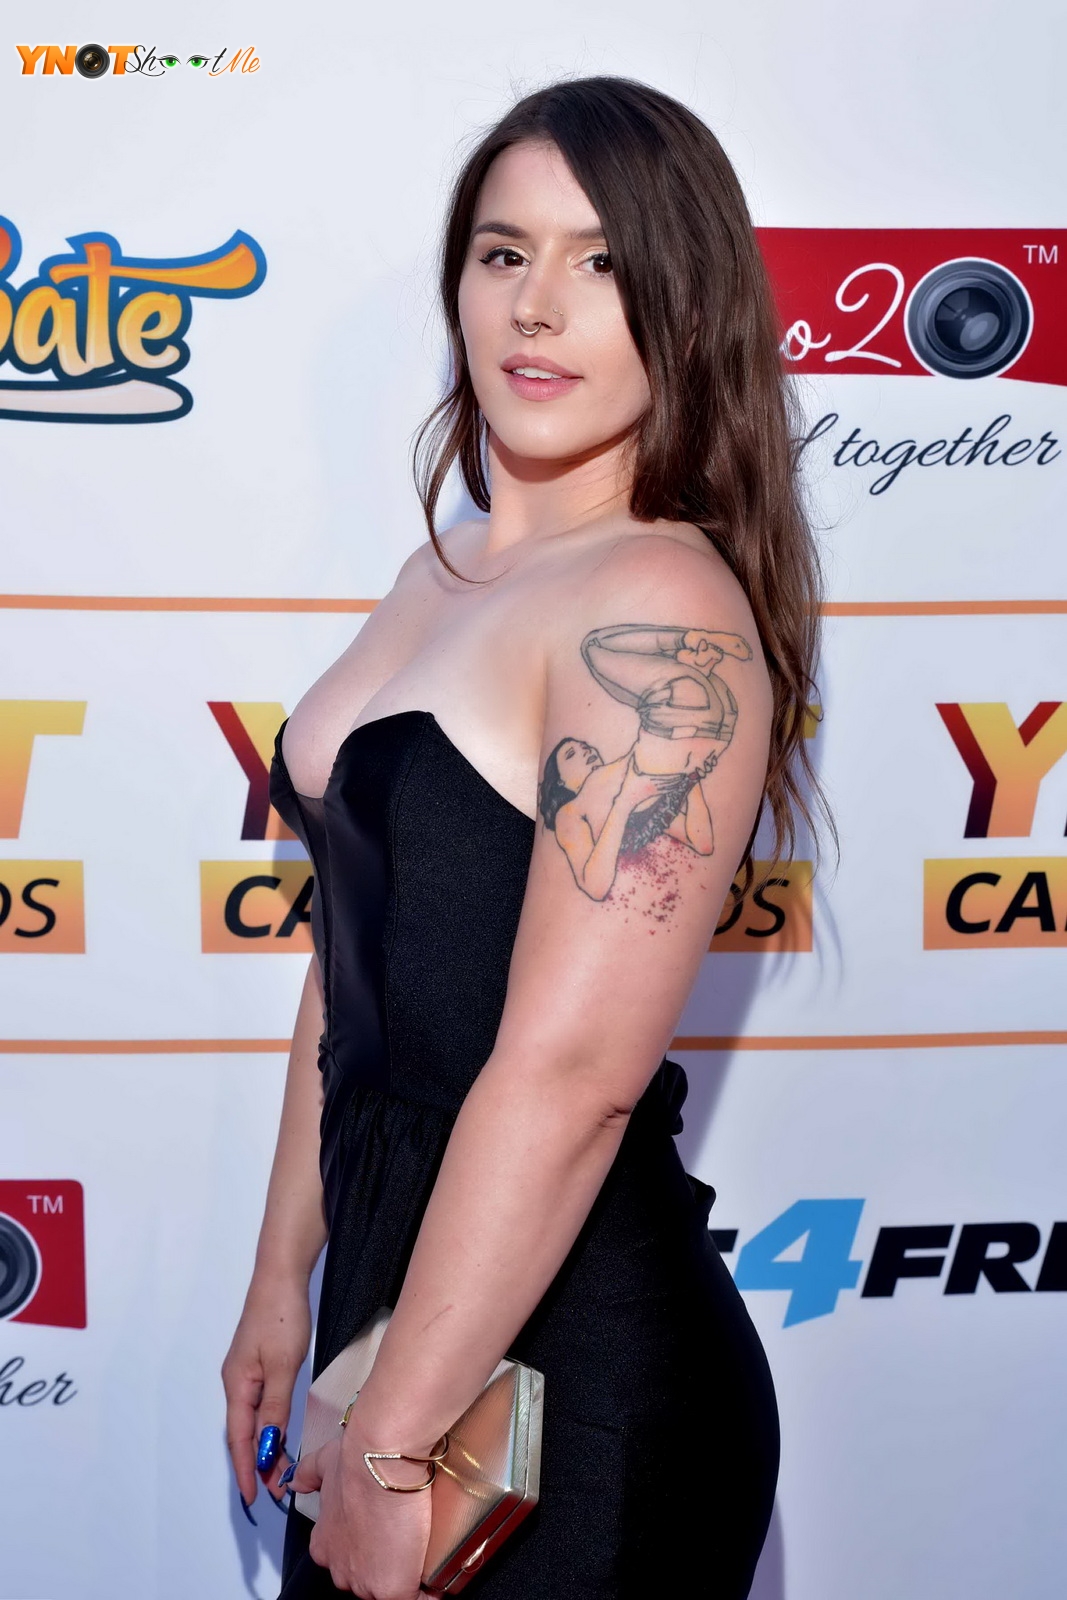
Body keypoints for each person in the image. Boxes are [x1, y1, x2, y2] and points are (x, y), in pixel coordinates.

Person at [221, 75, 827, 1600]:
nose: (538, 305)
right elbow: (352, 966)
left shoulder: (660, 608)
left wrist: (391, 1444)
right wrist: (283, 1277)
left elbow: (568, 1079)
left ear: (683, 299)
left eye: (601, 261)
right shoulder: (439, 573)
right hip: (397, 1319)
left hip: (570, 1374)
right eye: (505, 254)